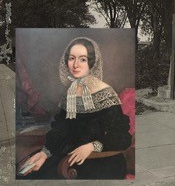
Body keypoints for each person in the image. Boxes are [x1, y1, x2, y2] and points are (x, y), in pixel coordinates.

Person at [18, 37, 132, 179]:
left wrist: (92, 146)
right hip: (72, 156)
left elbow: (122, 137)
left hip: (101, 160)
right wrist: (44, 154)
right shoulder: (70, 92)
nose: (75, 64)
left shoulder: (105, 93)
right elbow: (61, 129)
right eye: (72, 58)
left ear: (92, 62)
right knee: (28, 172)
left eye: (82, 59)